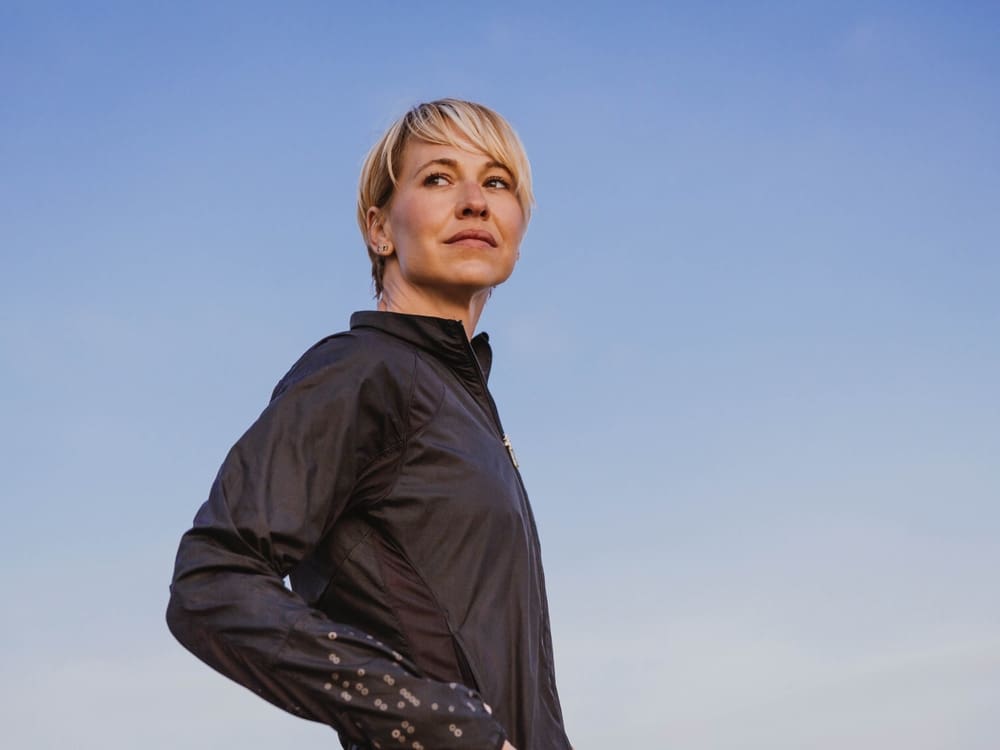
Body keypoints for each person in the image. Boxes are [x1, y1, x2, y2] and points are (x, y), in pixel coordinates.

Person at [166, 99, 572, 750]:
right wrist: (440, 725)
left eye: (497, 182)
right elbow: (212, 579)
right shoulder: (366, 373)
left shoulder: (469, 414)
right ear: (380, 228)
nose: (475, 199)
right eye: (438, 177)